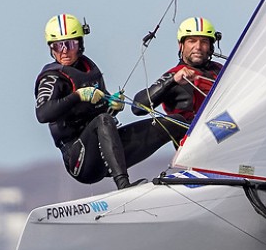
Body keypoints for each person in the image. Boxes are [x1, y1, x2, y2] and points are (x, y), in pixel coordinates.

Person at [34, 14, 172, 190]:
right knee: (103, 121)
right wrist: (78, 96)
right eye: (57, 46)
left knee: (172, 124)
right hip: (81, 162)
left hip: (108, 153)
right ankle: (123, 185)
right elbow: (42, 113)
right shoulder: (52, 77)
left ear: (80, 44)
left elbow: (101, 111)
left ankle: (194, 175)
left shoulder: (89, 69)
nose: (64, 51)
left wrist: (112, 106)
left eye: (70, 44)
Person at [131, 16, 224, 146]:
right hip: (197, 146)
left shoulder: (220, 69)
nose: (198, 47)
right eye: (192, 41)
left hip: (231, 137)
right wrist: (172, 81)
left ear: (210, 46)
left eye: (204, 42)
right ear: (181, 45)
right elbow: (137, 107)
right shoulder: (176, 74)